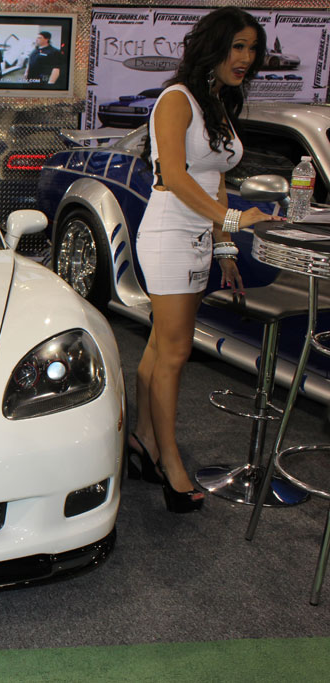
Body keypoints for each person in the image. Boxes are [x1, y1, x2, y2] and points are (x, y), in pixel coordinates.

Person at [129, 7, 273, 512]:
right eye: (237, 47)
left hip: (196, 234)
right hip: (169, 231)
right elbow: (174, 175)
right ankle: (171, 463)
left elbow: (214, 179)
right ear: (213, 46)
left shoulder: (215, 101)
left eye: (252, 49)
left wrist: (223, 242)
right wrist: (234, 222)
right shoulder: (177, 99)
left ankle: (143, 440)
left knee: (159, 348)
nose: (246, 58)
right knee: (175, 352)